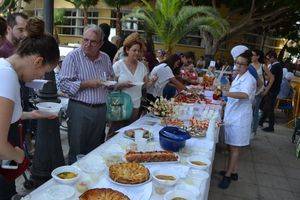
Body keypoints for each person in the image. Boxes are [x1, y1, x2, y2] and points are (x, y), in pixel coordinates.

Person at [0, 29, 59, 200]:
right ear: (38, 61)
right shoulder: (7, 76)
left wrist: (32, 114)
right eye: (44, 72)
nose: (40, 76)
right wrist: (18, 156)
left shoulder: (4, 67)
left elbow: (5, 115)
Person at [59, 25, 114, 164]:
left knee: (95, 150)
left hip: (101, 109)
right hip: (79, 109)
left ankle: (91, 181)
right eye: (85, 40)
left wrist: (112, 82)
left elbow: (111, 78)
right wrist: (87, 84)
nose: (87, 44)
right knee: (77, 150)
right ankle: (73, 181)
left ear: (101, 43)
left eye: (93, 41)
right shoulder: (73, 57)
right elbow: (64, 85)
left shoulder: (106, 58)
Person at [218, 50, 256, 189]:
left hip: (240, 118)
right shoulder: (239, 76)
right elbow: (234, 95)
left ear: (247, 66)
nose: (238, 66)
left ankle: (228, 175)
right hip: (232, 115)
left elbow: (244, 94)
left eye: (242, 64)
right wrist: (226, 101)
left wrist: (226, 93)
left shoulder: (249, 79)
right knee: (231, 145)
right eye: (237, 63)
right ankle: (233, 171)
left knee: (234, 148)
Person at [113, 33, 156, 122]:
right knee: (115, 131)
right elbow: (110, 86)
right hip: (120, 104)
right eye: (134, 50)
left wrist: (152, 82)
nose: (137, 53)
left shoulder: (142, 67)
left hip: (135, 105)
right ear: (127, 50)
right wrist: (121, 85)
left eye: (139, 51)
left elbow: (144, 86)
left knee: (130, 131)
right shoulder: (118, 65)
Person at [251, 49, 274, 135]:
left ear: (258, 56)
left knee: (255, 111)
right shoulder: (249, 65)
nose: (251, 56)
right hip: (250, 91)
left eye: (253, 55)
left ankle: (253, 131)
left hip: (259, 92)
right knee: (249, 110)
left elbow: (272, 78)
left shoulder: (262, 66)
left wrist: (266, 90)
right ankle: (248, 128)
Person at [259, 50, 283, 132]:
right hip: (273, 89)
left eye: (268, 59)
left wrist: (261, 74)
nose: (268, 60)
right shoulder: (275, 65)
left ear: (273, 57)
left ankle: (271, 126)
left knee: (270, 108)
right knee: (267, 107)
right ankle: (261, 122)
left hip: (272, 89)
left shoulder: (276, 66)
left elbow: (269, 77)